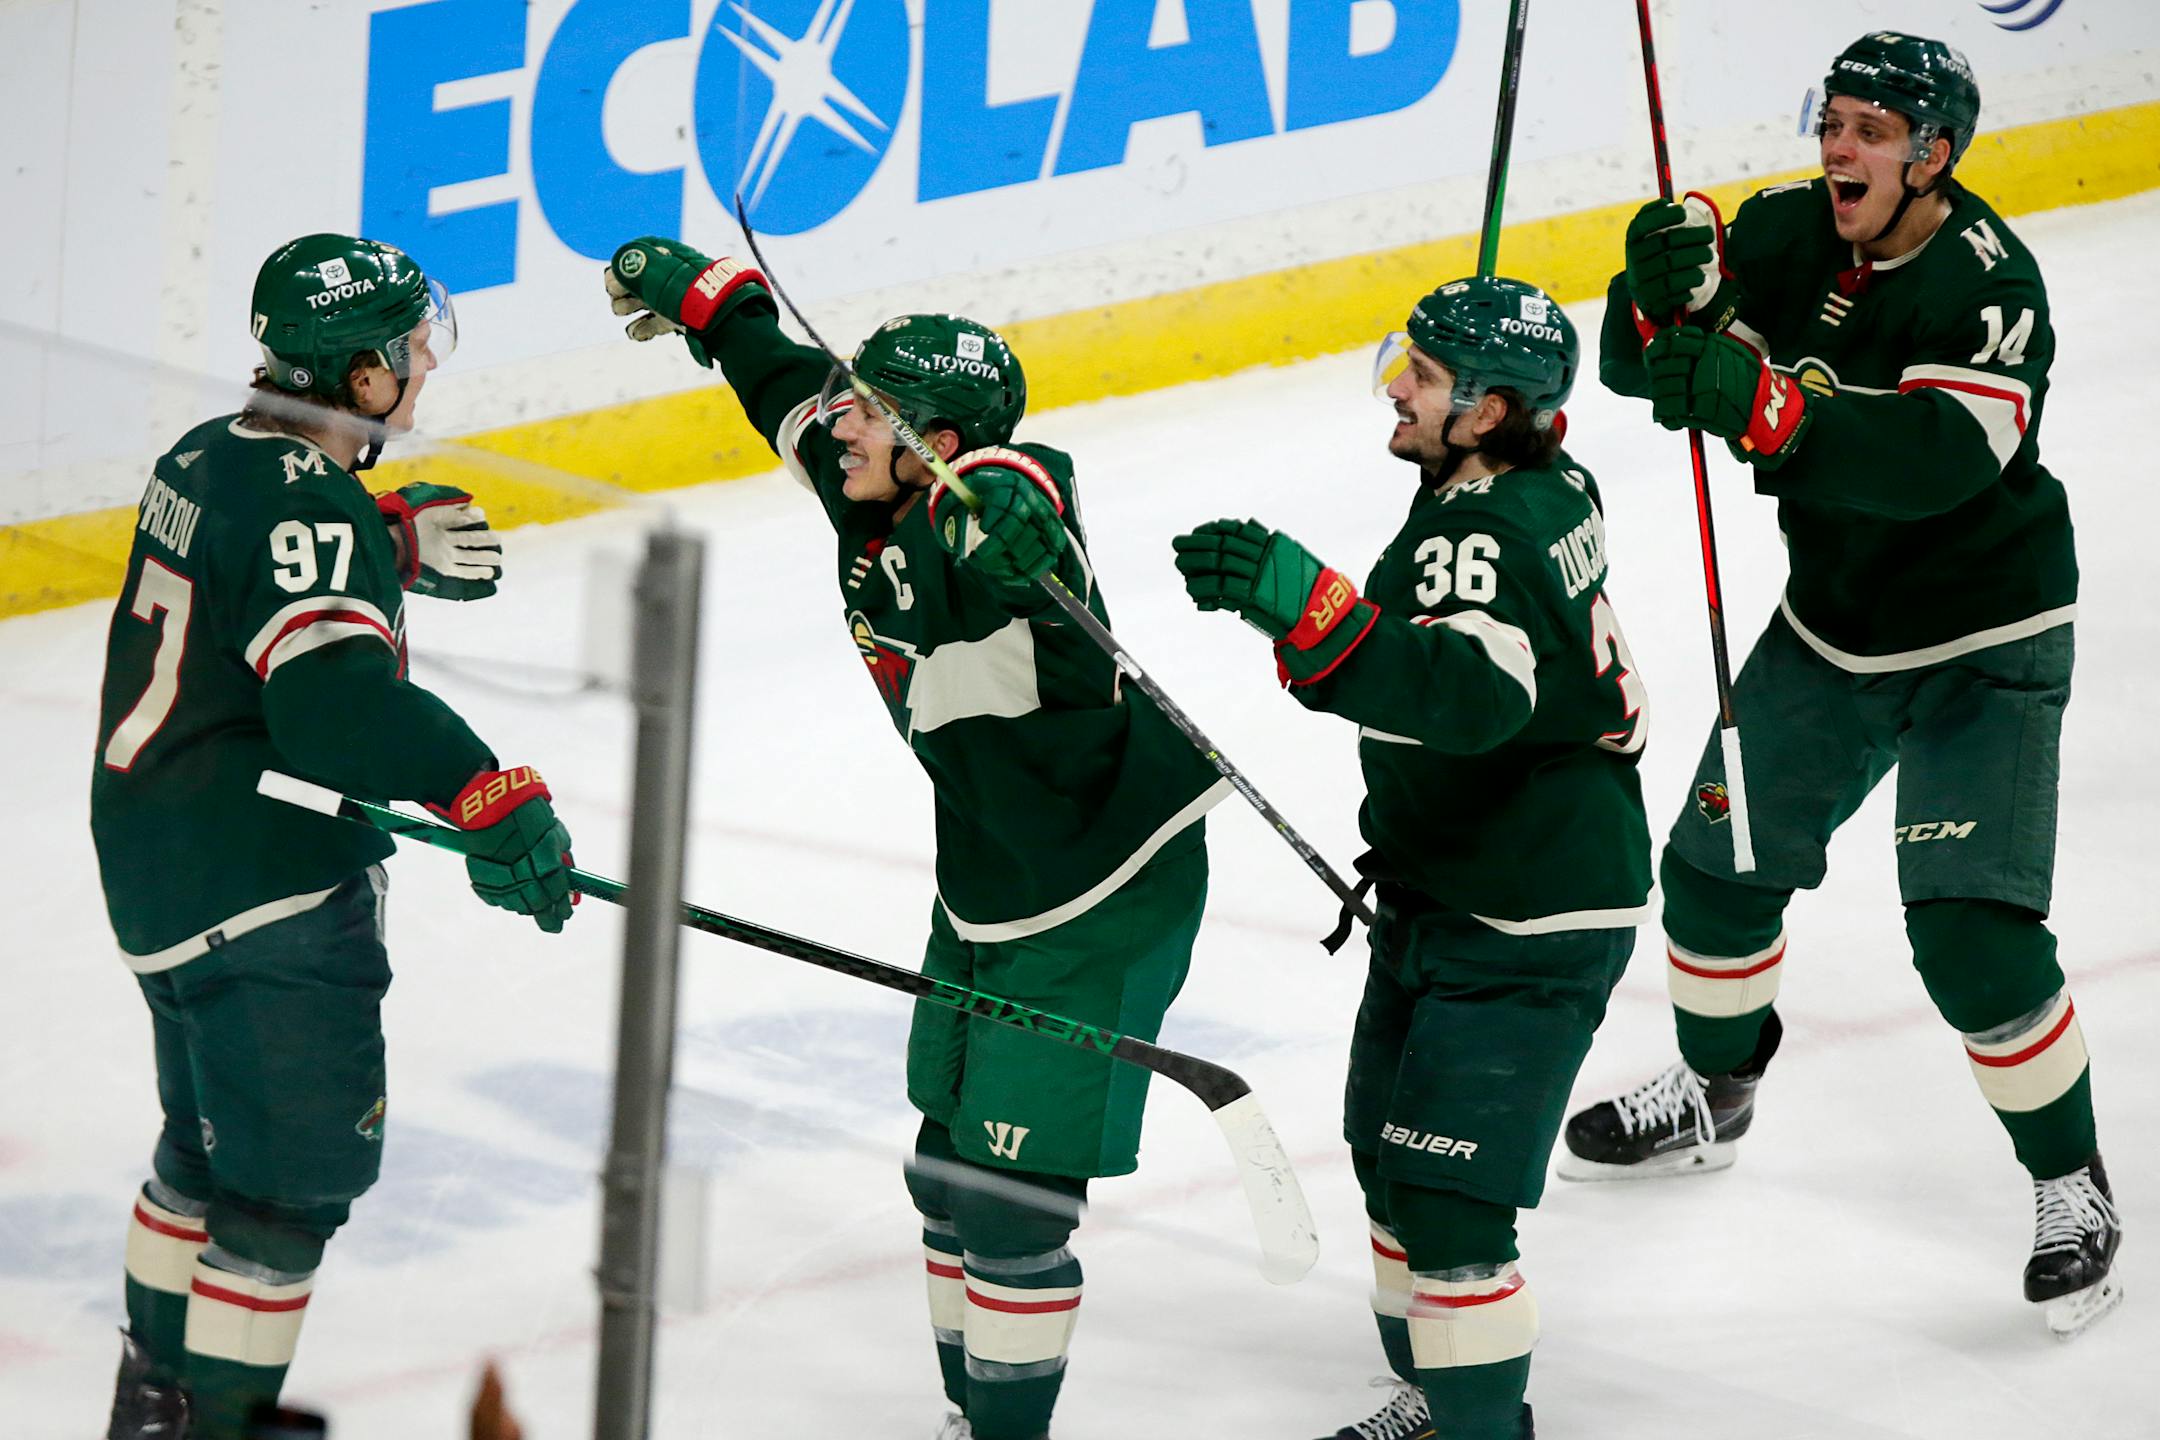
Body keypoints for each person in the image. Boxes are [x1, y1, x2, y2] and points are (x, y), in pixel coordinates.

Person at [603, 237, 1230, 1439]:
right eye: (854, 395)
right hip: (990, 878)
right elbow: (780, 381)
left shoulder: (994, 507)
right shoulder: (866, 479)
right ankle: (970, 1418)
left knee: (1006, 1208)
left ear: (939, 447)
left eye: (875, 410)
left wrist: (1008, 518)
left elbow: (1024, 492)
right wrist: (707, 302)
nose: (842, 423)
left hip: (1097, 889)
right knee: (943, 1175)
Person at [1562, 31, 2122, 1337]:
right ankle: (1718, 1088)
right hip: (1835, 627)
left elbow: (1940, 460)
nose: (1841, 148)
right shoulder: (1778, 233)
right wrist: (1648, 296)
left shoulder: (1989, 282)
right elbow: (1641, 367)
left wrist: (1766, 409)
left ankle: (2071, 1182)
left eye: (1873, 130)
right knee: (1712, 870)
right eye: (1835, 122)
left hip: (1991, 637)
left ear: (1935, 153)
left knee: (1972, 932)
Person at [93, 234, 577, 1439]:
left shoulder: (206, 452)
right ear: (362, 380)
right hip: (263, 900)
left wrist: (385, 545)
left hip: (160, 866)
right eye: (410, 345)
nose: (423, 361)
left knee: (197, 1154)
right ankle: (216, 1423)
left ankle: (149, 1406)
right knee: (283, 1198)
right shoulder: (318, 515)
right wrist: (485, 788)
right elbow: (333, 709)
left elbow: (260, 559)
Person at [1174, 276, 1652, 1440]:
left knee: (1447, 1204)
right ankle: (1443, 1402)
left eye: (1426, 378)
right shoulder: (1531, 479)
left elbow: (1476, 696)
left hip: (1526, 909)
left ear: (1488, 413)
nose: (1397, 385)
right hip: (1447, 888)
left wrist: (1313, 610)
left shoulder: (1485, 527)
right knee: (1389, 1161)